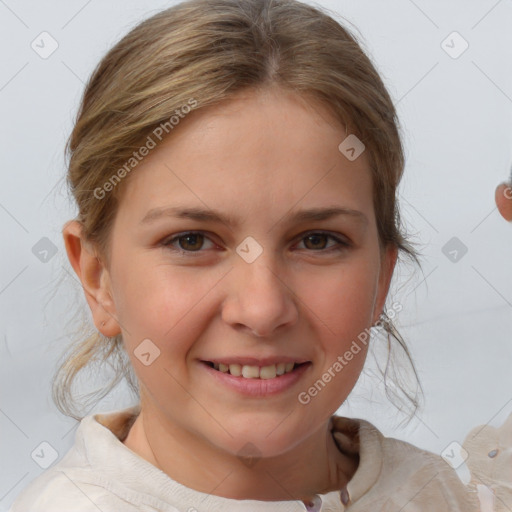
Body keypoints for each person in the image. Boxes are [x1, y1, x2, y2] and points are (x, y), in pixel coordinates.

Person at [9, 0, 481, 510]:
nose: (261, 310)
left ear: (381, 279)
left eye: (317, 240)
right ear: (97, 277)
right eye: (191, 241)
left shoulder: (447, 496)